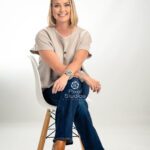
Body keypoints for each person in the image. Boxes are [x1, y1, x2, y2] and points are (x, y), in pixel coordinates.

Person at [31, 0, 105, 149]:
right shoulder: (43, 35)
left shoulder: (83, 35)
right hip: (52, 91)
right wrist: (84, 76)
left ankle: (60, 142)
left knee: (72, 87)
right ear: (51, 9)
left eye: (66, 4)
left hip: (77, 87)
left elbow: (78, 61)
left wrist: (67, 77)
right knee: (79, 104)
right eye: (56, 5)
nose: (62, 9)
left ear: (72, 8)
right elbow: (58, 68)